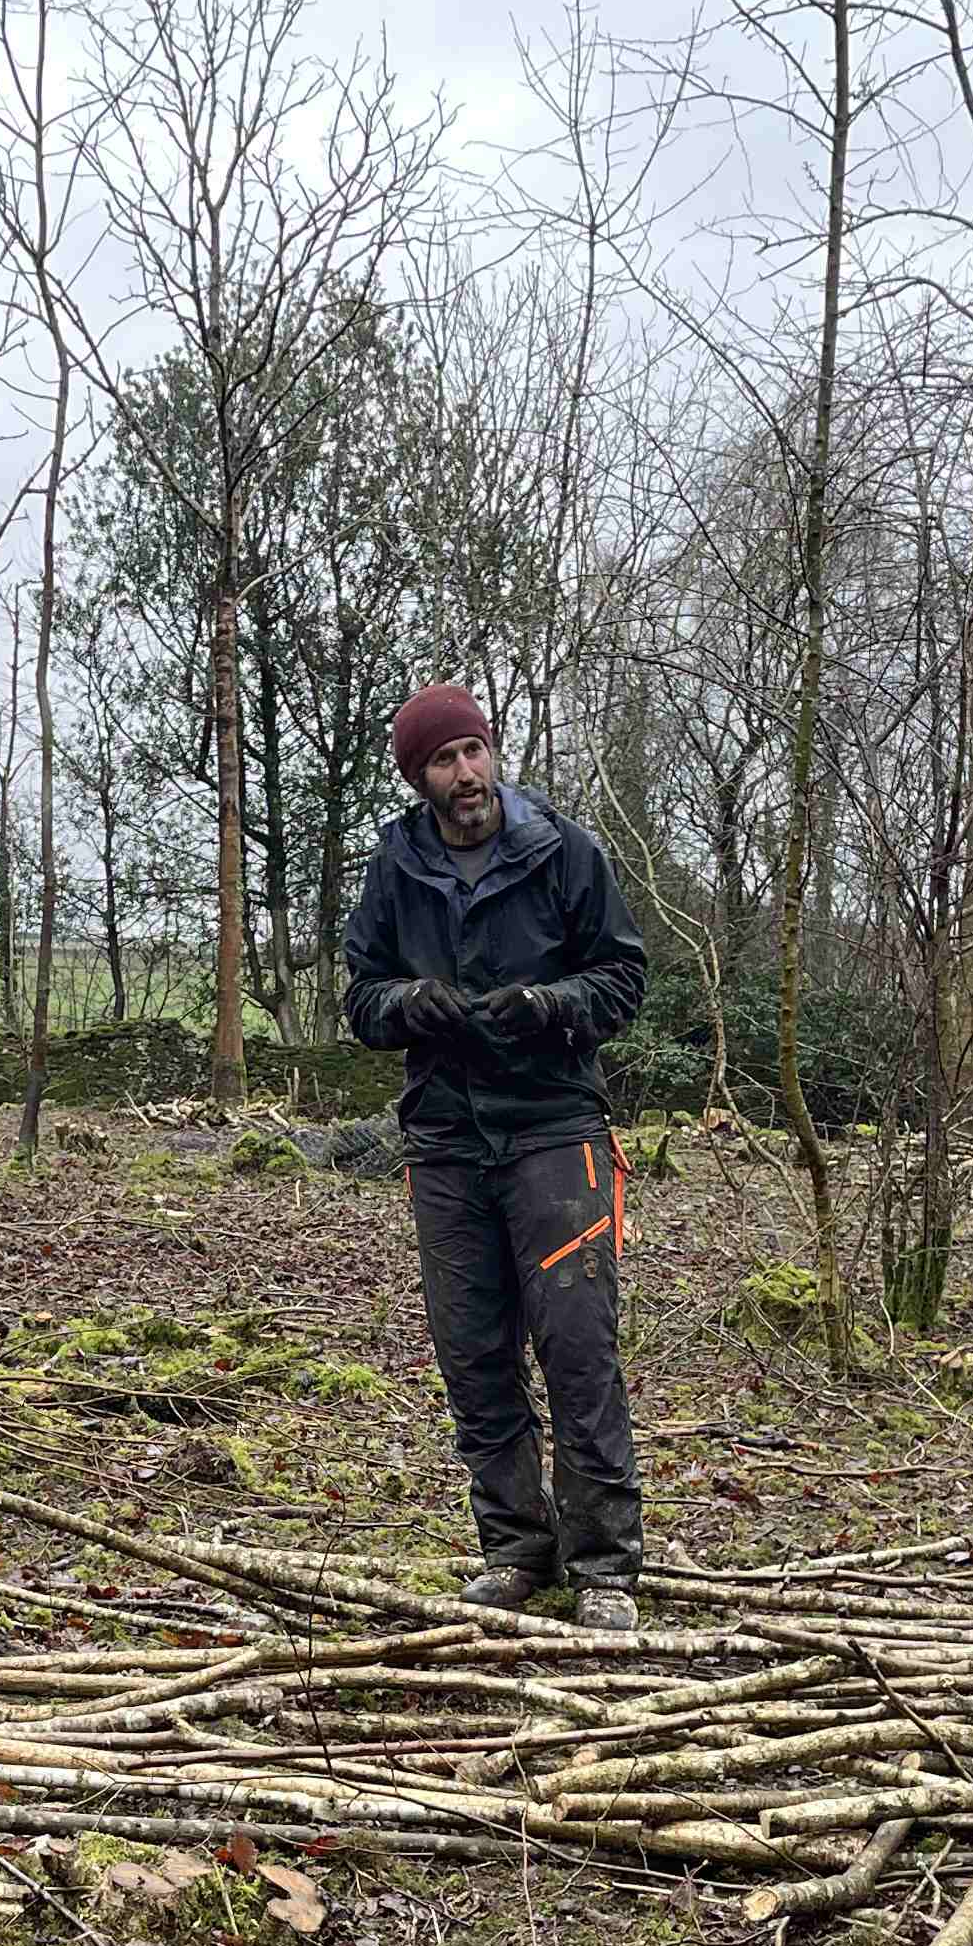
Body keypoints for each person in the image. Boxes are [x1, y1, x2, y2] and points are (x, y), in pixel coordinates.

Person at [341, 685, 652, 1634]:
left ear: (492, 754)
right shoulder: (394, 868)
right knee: (474, 1353)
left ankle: (603, 1565)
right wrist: (406, 1007)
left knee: (577, 1346)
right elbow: (360, 995)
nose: (465, 773)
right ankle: (515, 1549)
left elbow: (624, 974)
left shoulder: (565, 851)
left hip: (556, 1130)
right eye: (444, 760)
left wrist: (554, 1006)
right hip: (442, 1139)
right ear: (419, 777)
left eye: (473, 751)